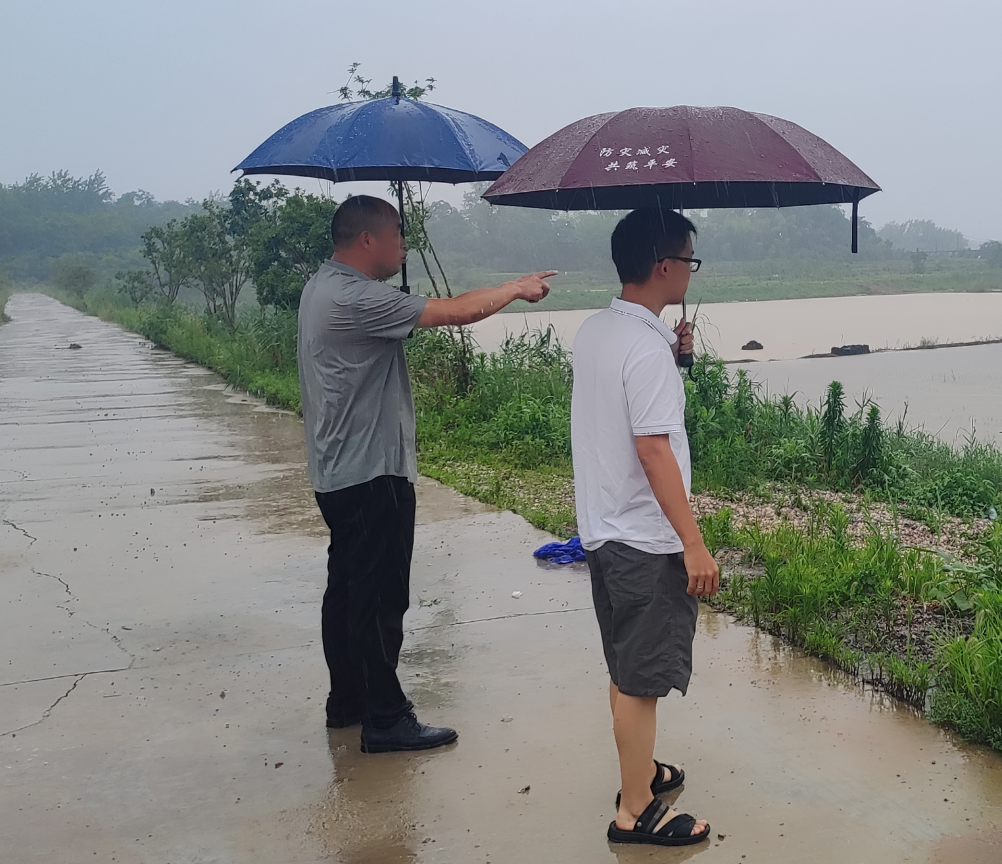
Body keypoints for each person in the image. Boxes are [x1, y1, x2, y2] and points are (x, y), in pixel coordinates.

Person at [300, 195, 553, 753]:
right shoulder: (356, 297)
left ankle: (349, 701)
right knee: (379, 597)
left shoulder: (323, 286)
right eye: (398, 232)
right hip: (372, 471)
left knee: (347, 591)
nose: (404, 244)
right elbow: (456, 312)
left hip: (337, 468)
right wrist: (515, 288)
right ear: (367, 239)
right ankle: (386, 719)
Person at [570, 208, 717, 846]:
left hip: (605, 525)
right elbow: (654, 449)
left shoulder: (598, 330)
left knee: (624, 663)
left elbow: (622, 408)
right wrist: (693, 542)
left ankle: (642, 771)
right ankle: (635, 810)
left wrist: (674, 355)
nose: (690, 270)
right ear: (663, 266)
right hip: (644, 535)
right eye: (688, 259)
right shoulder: (645, 348)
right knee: (641, 679)